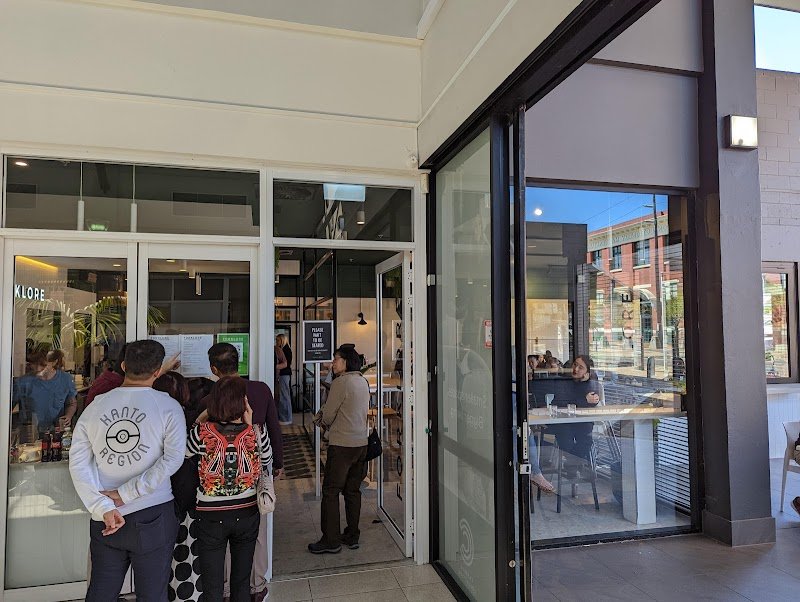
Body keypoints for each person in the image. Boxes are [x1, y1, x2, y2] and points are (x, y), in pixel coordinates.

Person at [69, 339, 186, 601]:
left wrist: (101, 506)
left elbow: (78, 463)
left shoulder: (95, 406)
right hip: (153, 511)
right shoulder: (168, 407)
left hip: (106, 517)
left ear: (123, 366)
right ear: (158, 371)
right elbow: (173, 459)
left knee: (101, 593)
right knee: (153, 595)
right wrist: (129, 493)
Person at [198, 343, 283, 601]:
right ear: (239, 362)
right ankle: (256, 586)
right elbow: (273, 427)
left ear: (214, 369)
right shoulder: (260, 389)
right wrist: (276, 463)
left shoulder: (210, 396)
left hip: (217, 488)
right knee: (255, 535)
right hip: (253, 477)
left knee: (221, 545)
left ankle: (225, 590)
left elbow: (194, 443)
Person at [186, 376, 272, 602]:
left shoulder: (202, 432)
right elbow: (266, 461)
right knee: (241, 582)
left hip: (210, 517)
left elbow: (184, 452)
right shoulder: (255, 432)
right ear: (243, 404)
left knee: (212, 585)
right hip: (247, 513)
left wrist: (201, 418)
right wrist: (251, 424)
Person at [308, 345, 370, 554]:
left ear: (346, 362)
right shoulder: (362, 381)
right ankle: (352, 535)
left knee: (331, 491)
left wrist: (322, 418)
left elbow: (327, 416)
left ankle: (331, 540)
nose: (332, 363)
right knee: (352, 491)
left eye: (336, 359)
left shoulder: (340, 382)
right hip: (361, 444)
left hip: (342, 445)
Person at [13, 349, 77, 439]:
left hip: (56, 434)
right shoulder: (23, 382)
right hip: (30, 436)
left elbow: (71, 403)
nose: (38, 369)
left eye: (43, 365)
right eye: (34, 364)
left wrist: (68, 416)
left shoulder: (65, 379)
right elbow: (6, 409)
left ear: (54, 362)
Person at [276, 334, 293, 425]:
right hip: (284, 374)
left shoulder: (286, 350)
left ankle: (285, 419)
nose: (276, 342)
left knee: (284, 396)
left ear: (282, 340)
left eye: (278, 340)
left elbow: (287, 364)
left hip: (284, 374)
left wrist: (275, 366)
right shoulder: (284, 349)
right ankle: (285, 418)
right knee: (284, 396)